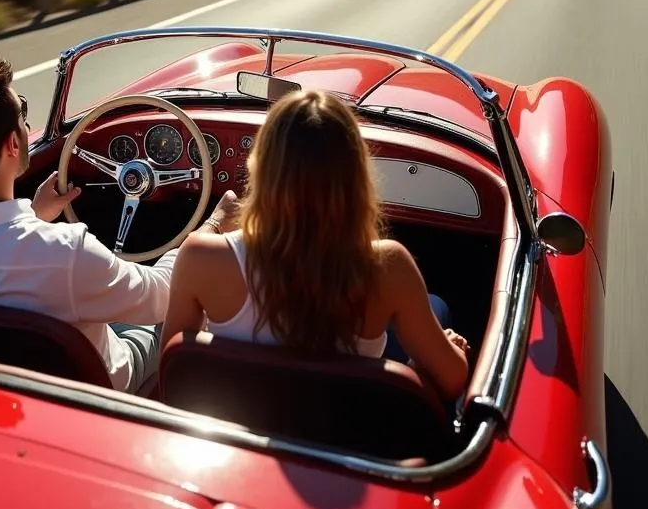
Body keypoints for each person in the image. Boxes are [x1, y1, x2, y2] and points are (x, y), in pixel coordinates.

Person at [0, 56, 238, 394]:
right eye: (22, 112)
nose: (27, 124)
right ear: (12, 143)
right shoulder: (65, 254)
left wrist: (33, 215)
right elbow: (163, 295)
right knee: (174, 313)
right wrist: (213, 226)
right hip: (95, 386)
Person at [161, 88, 470, 402]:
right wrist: (422, 365)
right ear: (356, 178)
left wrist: (217, 226)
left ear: (261, 169)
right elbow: (451, 381)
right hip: (342, 441)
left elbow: (172, 370)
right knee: (437, 306)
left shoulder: (199, 257)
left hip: (236, 436)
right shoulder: (389, 267)